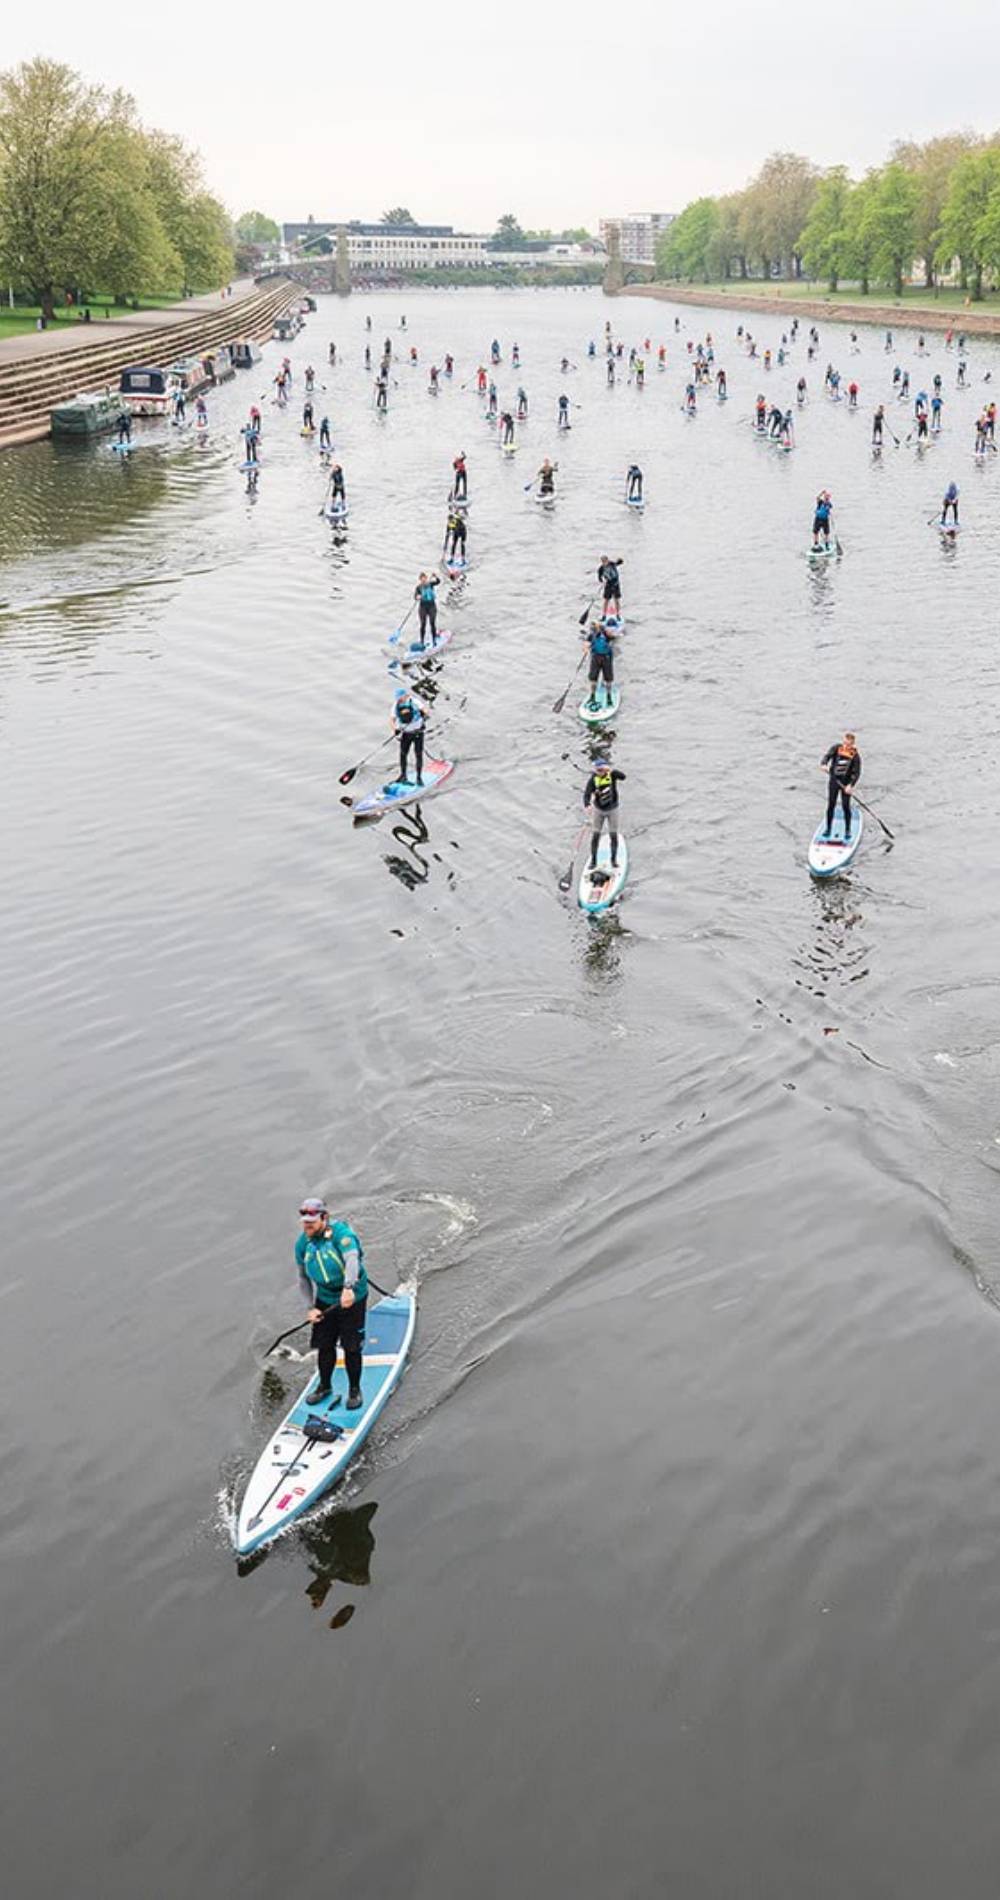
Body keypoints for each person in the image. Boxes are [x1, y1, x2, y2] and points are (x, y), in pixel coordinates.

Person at [296, 1197, 368, 1409]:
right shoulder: (303, 1244)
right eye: (304, 1222)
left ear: (324, 1218)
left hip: (351, 1296)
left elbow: (352, 1260)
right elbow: (302, 1278)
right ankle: (324, 1386)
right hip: (325, 1299)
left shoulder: (342, 1236)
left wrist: (348, 1288)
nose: (307, 1226)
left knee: (351, 1347)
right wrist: (310, 1308)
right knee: (324, 1346)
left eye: (312, 1221)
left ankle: (354, 1390)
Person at [583, 758, 626, 873]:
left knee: (613, 834)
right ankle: (593, 860)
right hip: (599, 810)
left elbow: (623, 777)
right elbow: (587, 794)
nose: (599, 772)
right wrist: (587, 805)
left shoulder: (612, 775)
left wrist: (612, 771)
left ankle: (613, 860)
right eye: (597, 770)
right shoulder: (593, 779)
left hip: (613, 810)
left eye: (601, 770)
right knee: (595, 835)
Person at [820, 733, 861, 841]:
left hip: (845, 784)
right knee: (831, 805)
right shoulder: (836, 748)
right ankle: (828, 829)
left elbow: (857, 773)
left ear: (853, 745)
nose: (846, 746)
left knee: (845, 806)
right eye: (845, 743)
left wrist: (850, 785)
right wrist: (824, 764)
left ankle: (848, 830)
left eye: (849, 745)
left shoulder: (855, 756)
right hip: (834, 781)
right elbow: (827, 756)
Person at [394, 685, 427, 786]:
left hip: (417, 733)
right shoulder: (396, 706)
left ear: (405, 696)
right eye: (398, 698)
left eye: (401, 698)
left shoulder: (415, 702)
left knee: (418, 754)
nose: (399, 700)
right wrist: (395, 729)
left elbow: (425, 710)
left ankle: (419, 778)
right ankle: (403, 776)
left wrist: (423, 713)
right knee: (403, 754)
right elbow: (392, 719)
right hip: (406, 734)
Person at [584, 621, 615, 710]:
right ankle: (592, 697)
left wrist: (605, 629)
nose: (594, 631)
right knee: (593, 680)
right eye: (593, 629)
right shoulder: (591, 635)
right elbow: (586, 644)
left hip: (606, 658)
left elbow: (612, 636)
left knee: (608, 680)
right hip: (595, 658)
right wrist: (586, 648)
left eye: (595, 628)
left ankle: (609, 697)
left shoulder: (605, 633)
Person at [414, 571, 441, 647]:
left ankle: (434, 640)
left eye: (424, 579)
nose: (423, 580)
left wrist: (436, 576)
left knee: (432, 623)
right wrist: (417, 597)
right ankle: (422, 641)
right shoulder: (418, 588)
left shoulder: (431, 584)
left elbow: (438, 582)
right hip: (423, 607)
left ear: (426, 578)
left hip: (432, 606)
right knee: (423, 624)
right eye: (422, 579)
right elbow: (415, 596)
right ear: (420, 580)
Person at [598, 555, 622, 619]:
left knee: (616, 599)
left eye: (605, 561)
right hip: (608, 585)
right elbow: (599, 578)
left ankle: (618, 614)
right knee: (606, 600)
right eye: (603, 562)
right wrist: (602, 581)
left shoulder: (612, 564)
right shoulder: (601, 569)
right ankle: (604, 615)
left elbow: (618, 563)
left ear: (607, 560)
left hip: (616, 584)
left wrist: (620, 561)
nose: (604, 563)